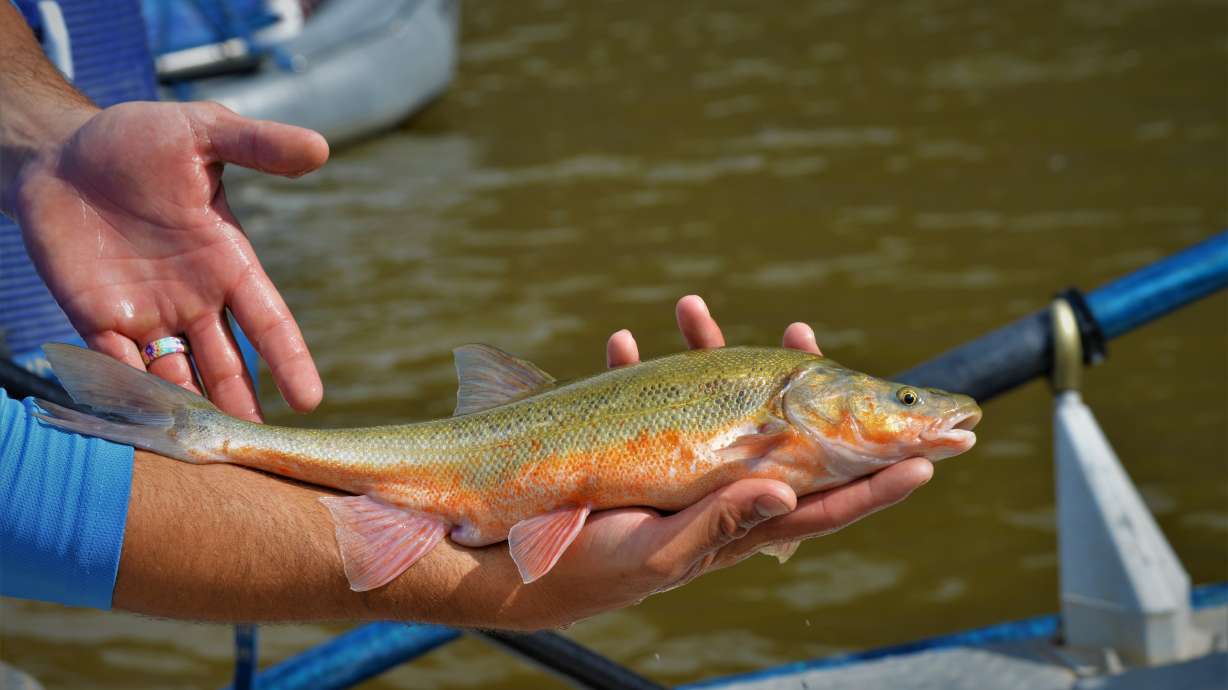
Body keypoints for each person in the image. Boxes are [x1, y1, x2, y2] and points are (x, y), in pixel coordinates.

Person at [0, 3, 933, 629]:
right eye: (900, 400)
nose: (919, 411)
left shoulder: (784, 427)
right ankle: (212, 437)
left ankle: (211, 437)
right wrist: (485, 592)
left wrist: (49, 142)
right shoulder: (776, 407)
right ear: (812, 398)